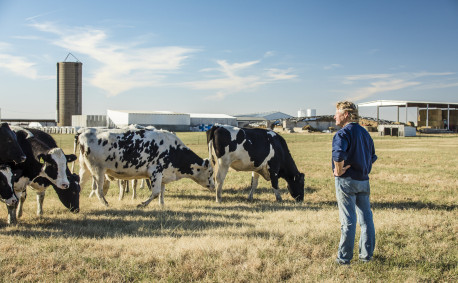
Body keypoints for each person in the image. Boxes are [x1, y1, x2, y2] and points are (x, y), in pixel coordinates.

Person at [332, 101, 377, 265]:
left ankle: (344, 259)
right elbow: (372, 156)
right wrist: (364, 169)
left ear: (346, 115)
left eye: (337, 112)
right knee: (366, 220)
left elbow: (338, 154)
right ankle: (366, 256)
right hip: (363, 181)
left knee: (348, 222)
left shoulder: (342, 134)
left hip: (346, 181)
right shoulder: (365, 133)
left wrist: (338, 170)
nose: (334, 116)